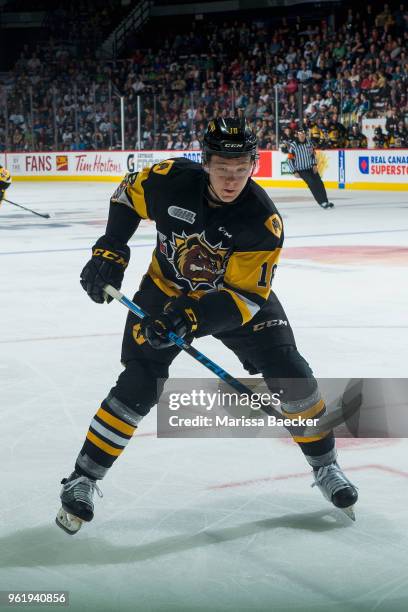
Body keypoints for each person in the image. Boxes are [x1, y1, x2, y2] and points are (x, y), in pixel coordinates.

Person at [56, 117, 358, 534]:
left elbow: (248, 298)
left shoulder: (261, 221)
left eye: (241, 170)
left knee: (291, 373)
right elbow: (127, 195)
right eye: (222, 169)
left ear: (254, 163)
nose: (232, 180)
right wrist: (110, 249)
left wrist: (194, 316)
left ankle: (325, 467)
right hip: (164, 291)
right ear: (205, 162)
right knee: (140, 380)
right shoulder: (170, 180)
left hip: (232, 300)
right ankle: (83, 478)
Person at [287, 127, 334, 209]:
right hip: (302, 170)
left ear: (305, 134)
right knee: (312, 183)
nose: (302, 136)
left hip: (311, 168)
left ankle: (326, 201)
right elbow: (290, 159)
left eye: (303, 134)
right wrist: (294, 171)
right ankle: (321, 202)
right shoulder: (293, 145)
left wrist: (314, 164)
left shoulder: (309, 143)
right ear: (297, 135)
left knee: (319, 183)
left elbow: (313, 155)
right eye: (300, 134)